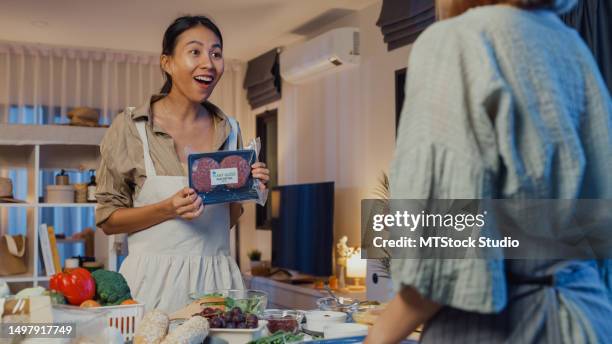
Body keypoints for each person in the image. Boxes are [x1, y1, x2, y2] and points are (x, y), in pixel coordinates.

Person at [365, 0, 612, 343]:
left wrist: (377, 336)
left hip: (502, 326)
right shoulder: (575, 50)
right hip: (590, 321)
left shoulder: (458, 41)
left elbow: (441, 262)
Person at [95, 15, 270, 313]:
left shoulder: (230, 130)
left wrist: (248, 188)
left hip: (218, 286)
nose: (209, 63)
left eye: (216, 53)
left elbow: (225, 219)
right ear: (167, 62)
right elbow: (108, 220)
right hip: (149, 286)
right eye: (195, 52)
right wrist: (168, 208)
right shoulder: (131, 127)